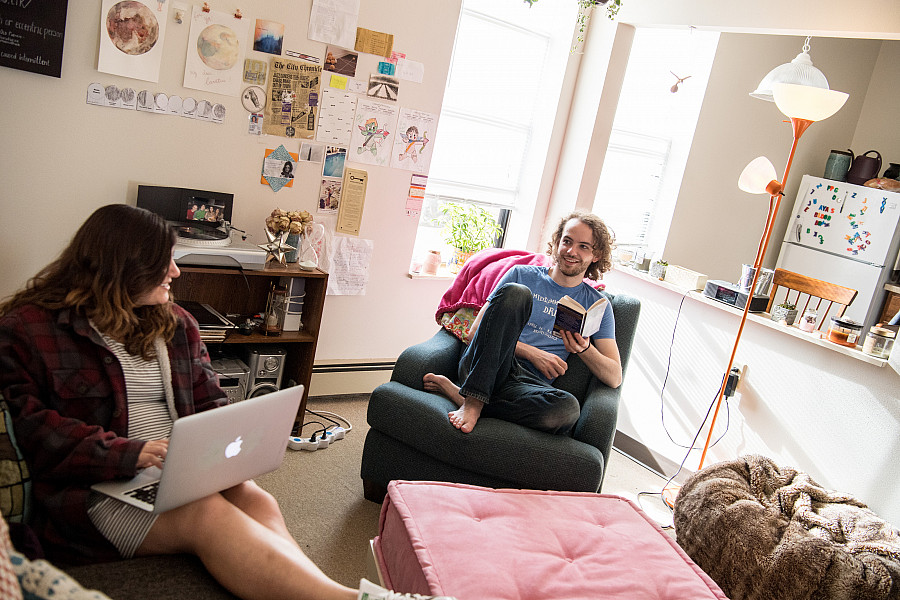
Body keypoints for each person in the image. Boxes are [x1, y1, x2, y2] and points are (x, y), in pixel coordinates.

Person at [0, 204, 454, 600]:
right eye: (165, 262)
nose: (176, 272)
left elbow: (209, 401)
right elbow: (34, 431)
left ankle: (321, 593)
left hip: (175, 469)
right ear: (123, 268)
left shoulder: (174, 324)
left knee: (258, 501)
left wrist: (232, 438)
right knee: (207, 515)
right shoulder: (30, 329)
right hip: (93, 489)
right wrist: (133, 452)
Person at [424, 211, 622, 434]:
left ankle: (461, 394)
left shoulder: (598, 305)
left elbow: (614, 377)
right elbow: (474, 333)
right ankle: (473, 402)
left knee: (567, 410)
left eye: (584, 246)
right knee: (517, 293)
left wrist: (584, 349)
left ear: (596, 255)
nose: (571, 251)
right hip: (484, 366)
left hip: (524, 387)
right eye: (567, 241)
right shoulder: (521, 274)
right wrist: (532, 353)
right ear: (557, 242)